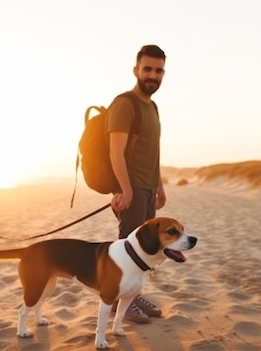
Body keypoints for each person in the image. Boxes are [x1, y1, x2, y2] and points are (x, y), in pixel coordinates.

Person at [105, 44, 167, 324]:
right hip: (132, 189)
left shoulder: (152, 107)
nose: (153, 75)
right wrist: (126, 189)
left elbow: (154, 151)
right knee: (127, 250)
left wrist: (160, 185)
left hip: (148, 188)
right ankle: (123, 303)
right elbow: (115, 151)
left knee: (144, 251)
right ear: (136, 70)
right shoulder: (125, 104)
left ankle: (132, 296)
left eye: (158, 70)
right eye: (148, 69)